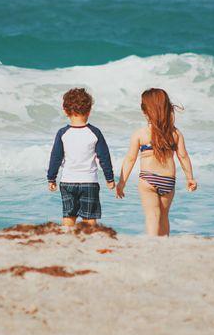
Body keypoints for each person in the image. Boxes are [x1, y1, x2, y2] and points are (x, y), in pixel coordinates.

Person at [116, 88, 197, 236]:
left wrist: (122, 182)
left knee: (152, 215)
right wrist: (190, 178)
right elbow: (183, 156)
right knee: (164, 217)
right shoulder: (175, 133)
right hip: (168, 180)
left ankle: (153, 244)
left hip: (148, 179)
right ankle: (164, 244)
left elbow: (130, 159)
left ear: (145, 111)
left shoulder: (140, 133)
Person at [47, 88, 115, 226]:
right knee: (89, 218)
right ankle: (89, 242)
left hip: (67, 182)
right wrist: (110, 178)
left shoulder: (62, 133)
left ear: (65, 111)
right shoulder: (94, 132)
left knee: (68, 216)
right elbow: (104, 157)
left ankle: (67, 241)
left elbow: (56, 158)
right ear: (89, 110)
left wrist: (51, 178)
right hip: (89, 182)